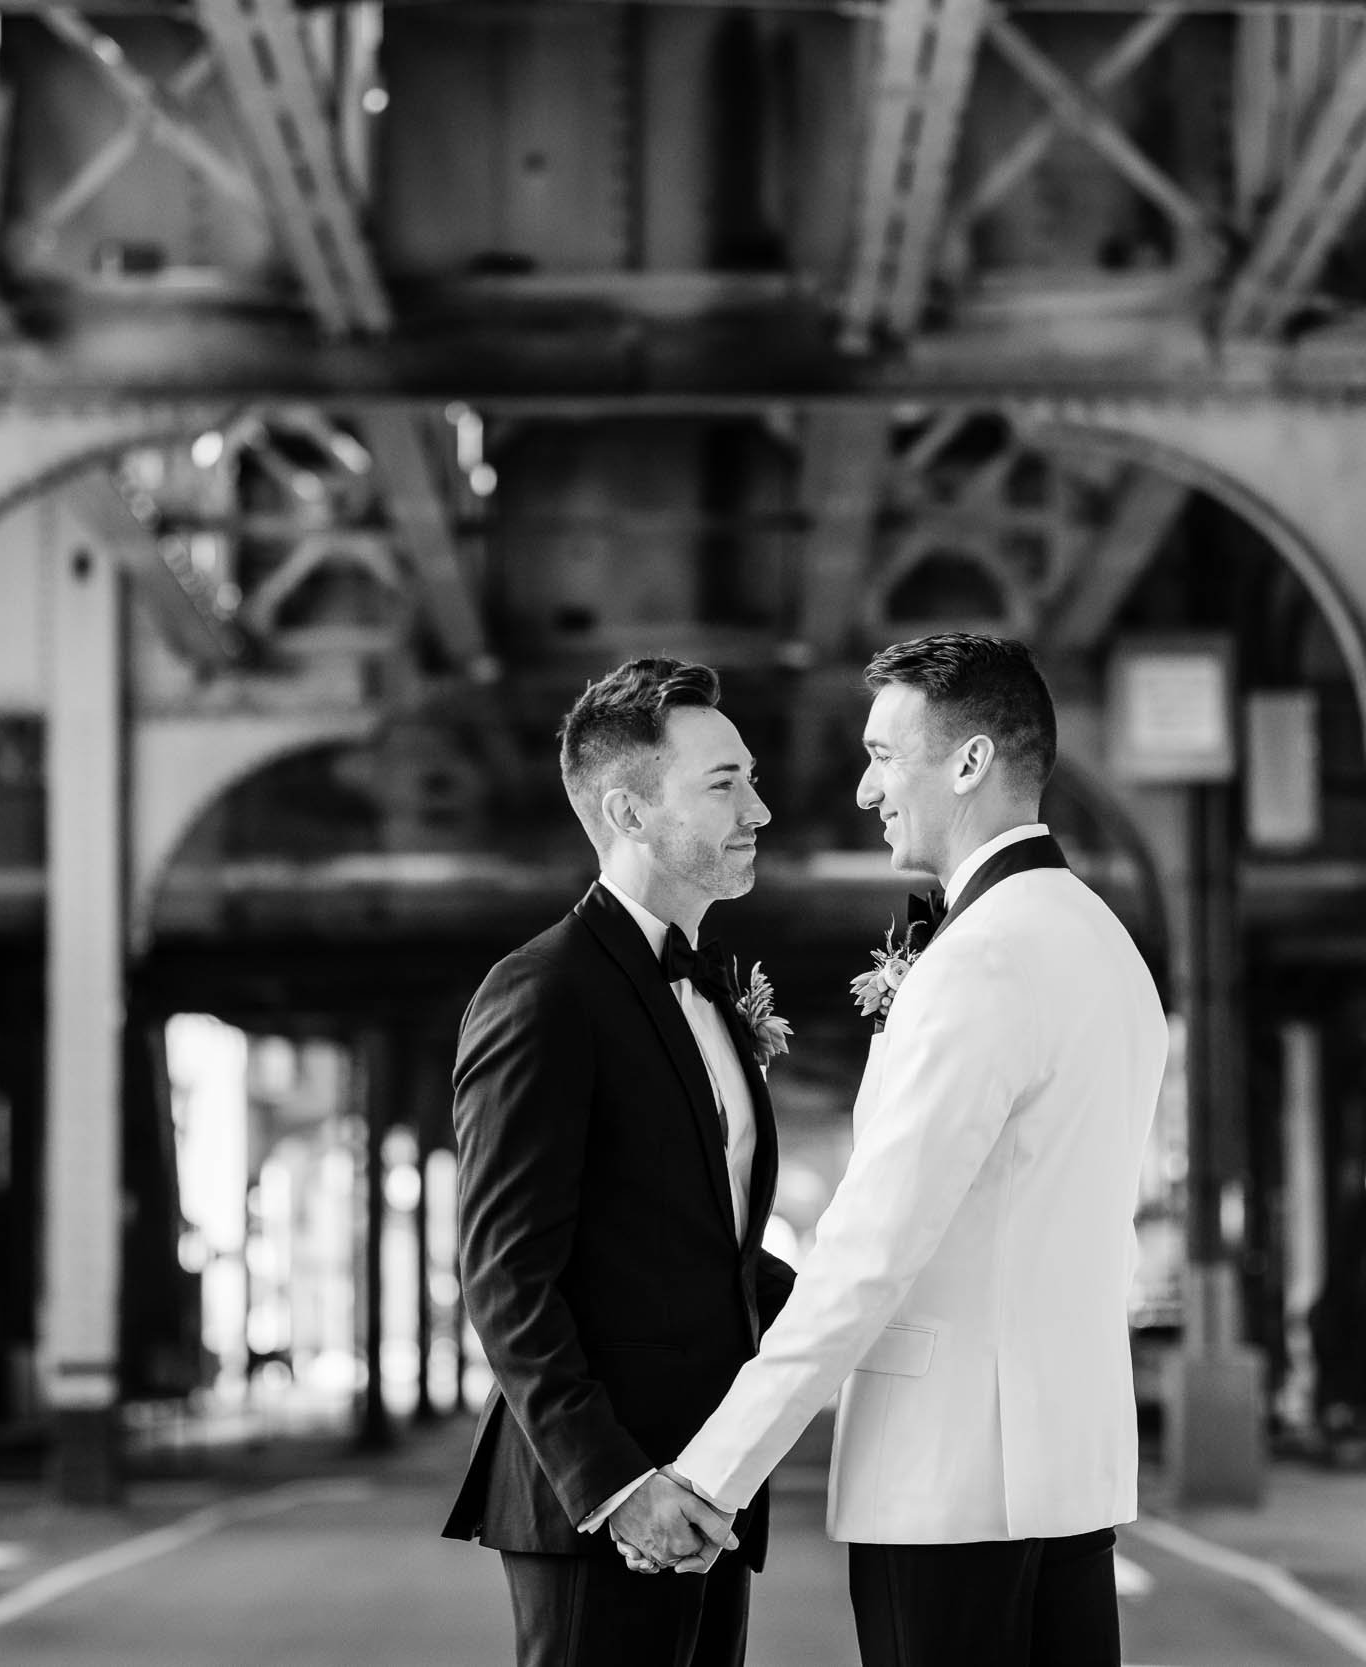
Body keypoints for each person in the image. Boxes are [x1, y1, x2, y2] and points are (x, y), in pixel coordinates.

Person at [650, 633, 1169, 1667]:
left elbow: (869, 1250)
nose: (862, 787)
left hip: (948, 1485)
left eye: (885, 754)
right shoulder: (1108, 947)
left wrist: (710, 1471)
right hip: (1067, 1475)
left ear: (968, 761)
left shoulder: (979, 961)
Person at [442, 657, 797, 1667]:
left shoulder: (713, 999)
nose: (759, 809)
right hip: (604, 1503)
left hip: (711, 1486)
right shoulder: (543, 990)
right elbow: (505, 1272)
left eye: (751, 776)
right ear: (627, 812)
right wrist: (614, 1484)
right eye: (723, 783)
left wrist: (859, 1305)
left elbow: (702, 1247)